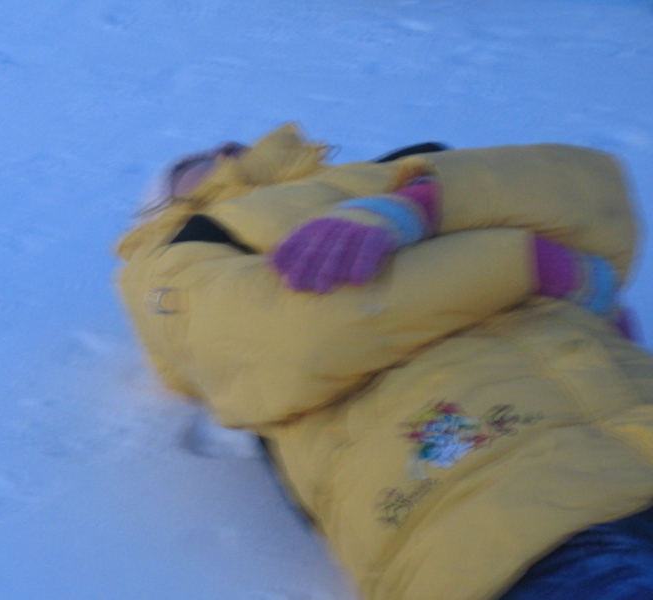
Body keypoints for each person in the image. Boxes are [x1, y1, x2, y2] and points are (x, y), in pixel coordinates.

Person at [115, 123, 653, 600]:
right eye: (190, 163)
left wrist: (410, 208)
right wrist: (526, 261)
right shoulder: (176, 254)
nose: (226, 146)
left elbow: (597, 198)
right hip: (503, 516)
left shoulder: (403, 170)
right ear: (162, 208)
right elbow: (287, 338)